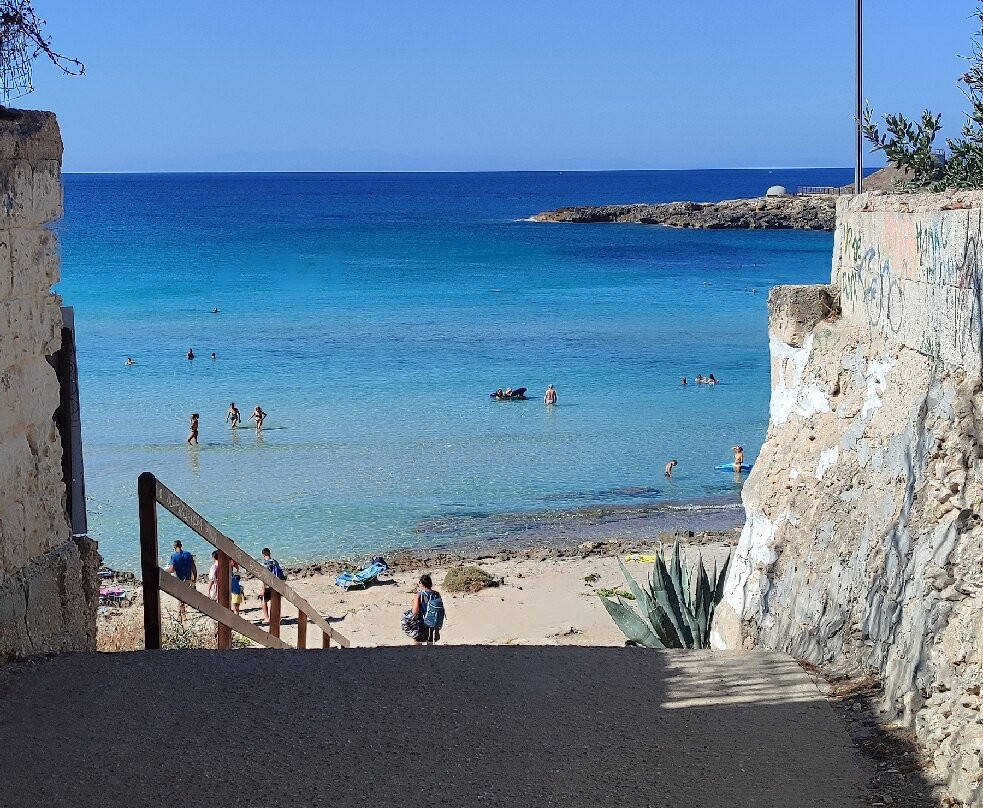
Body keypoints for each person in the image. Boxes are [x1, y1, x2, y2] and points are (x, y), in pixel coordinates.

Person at [165, 540, 197, 621]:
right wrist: (195, 578)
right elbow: (193, 567)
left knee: (180, 598)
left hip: (179, 579)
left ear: (174, 547)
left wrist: (164, 571)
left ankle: (181, 616)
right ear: (181, 545)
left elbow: (172, 569)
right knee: (183, 597)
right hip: (188, 578)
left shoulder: (174, 556)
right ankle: (182, 614)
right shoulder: (188, 554)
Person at [411, 574, 445, 643]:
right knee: (430, 646)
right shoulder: (436, 594)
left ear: (421, 583)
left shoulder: (419, 595)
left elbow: (415, 612)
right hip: (434, 625)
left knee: (417, 645)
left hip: (422, 624)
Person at [259, 547, 286, 625]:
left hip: (268, 585)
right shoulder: (275, 562)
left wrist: (263, 588)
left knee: (263, 600)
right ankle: (277, 617)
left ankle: (267, 618)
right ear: (269, 553)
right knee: (275, 600)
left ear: (263, 554)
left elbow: (264, 577)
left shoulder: (265, 563)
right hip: (277, 584)